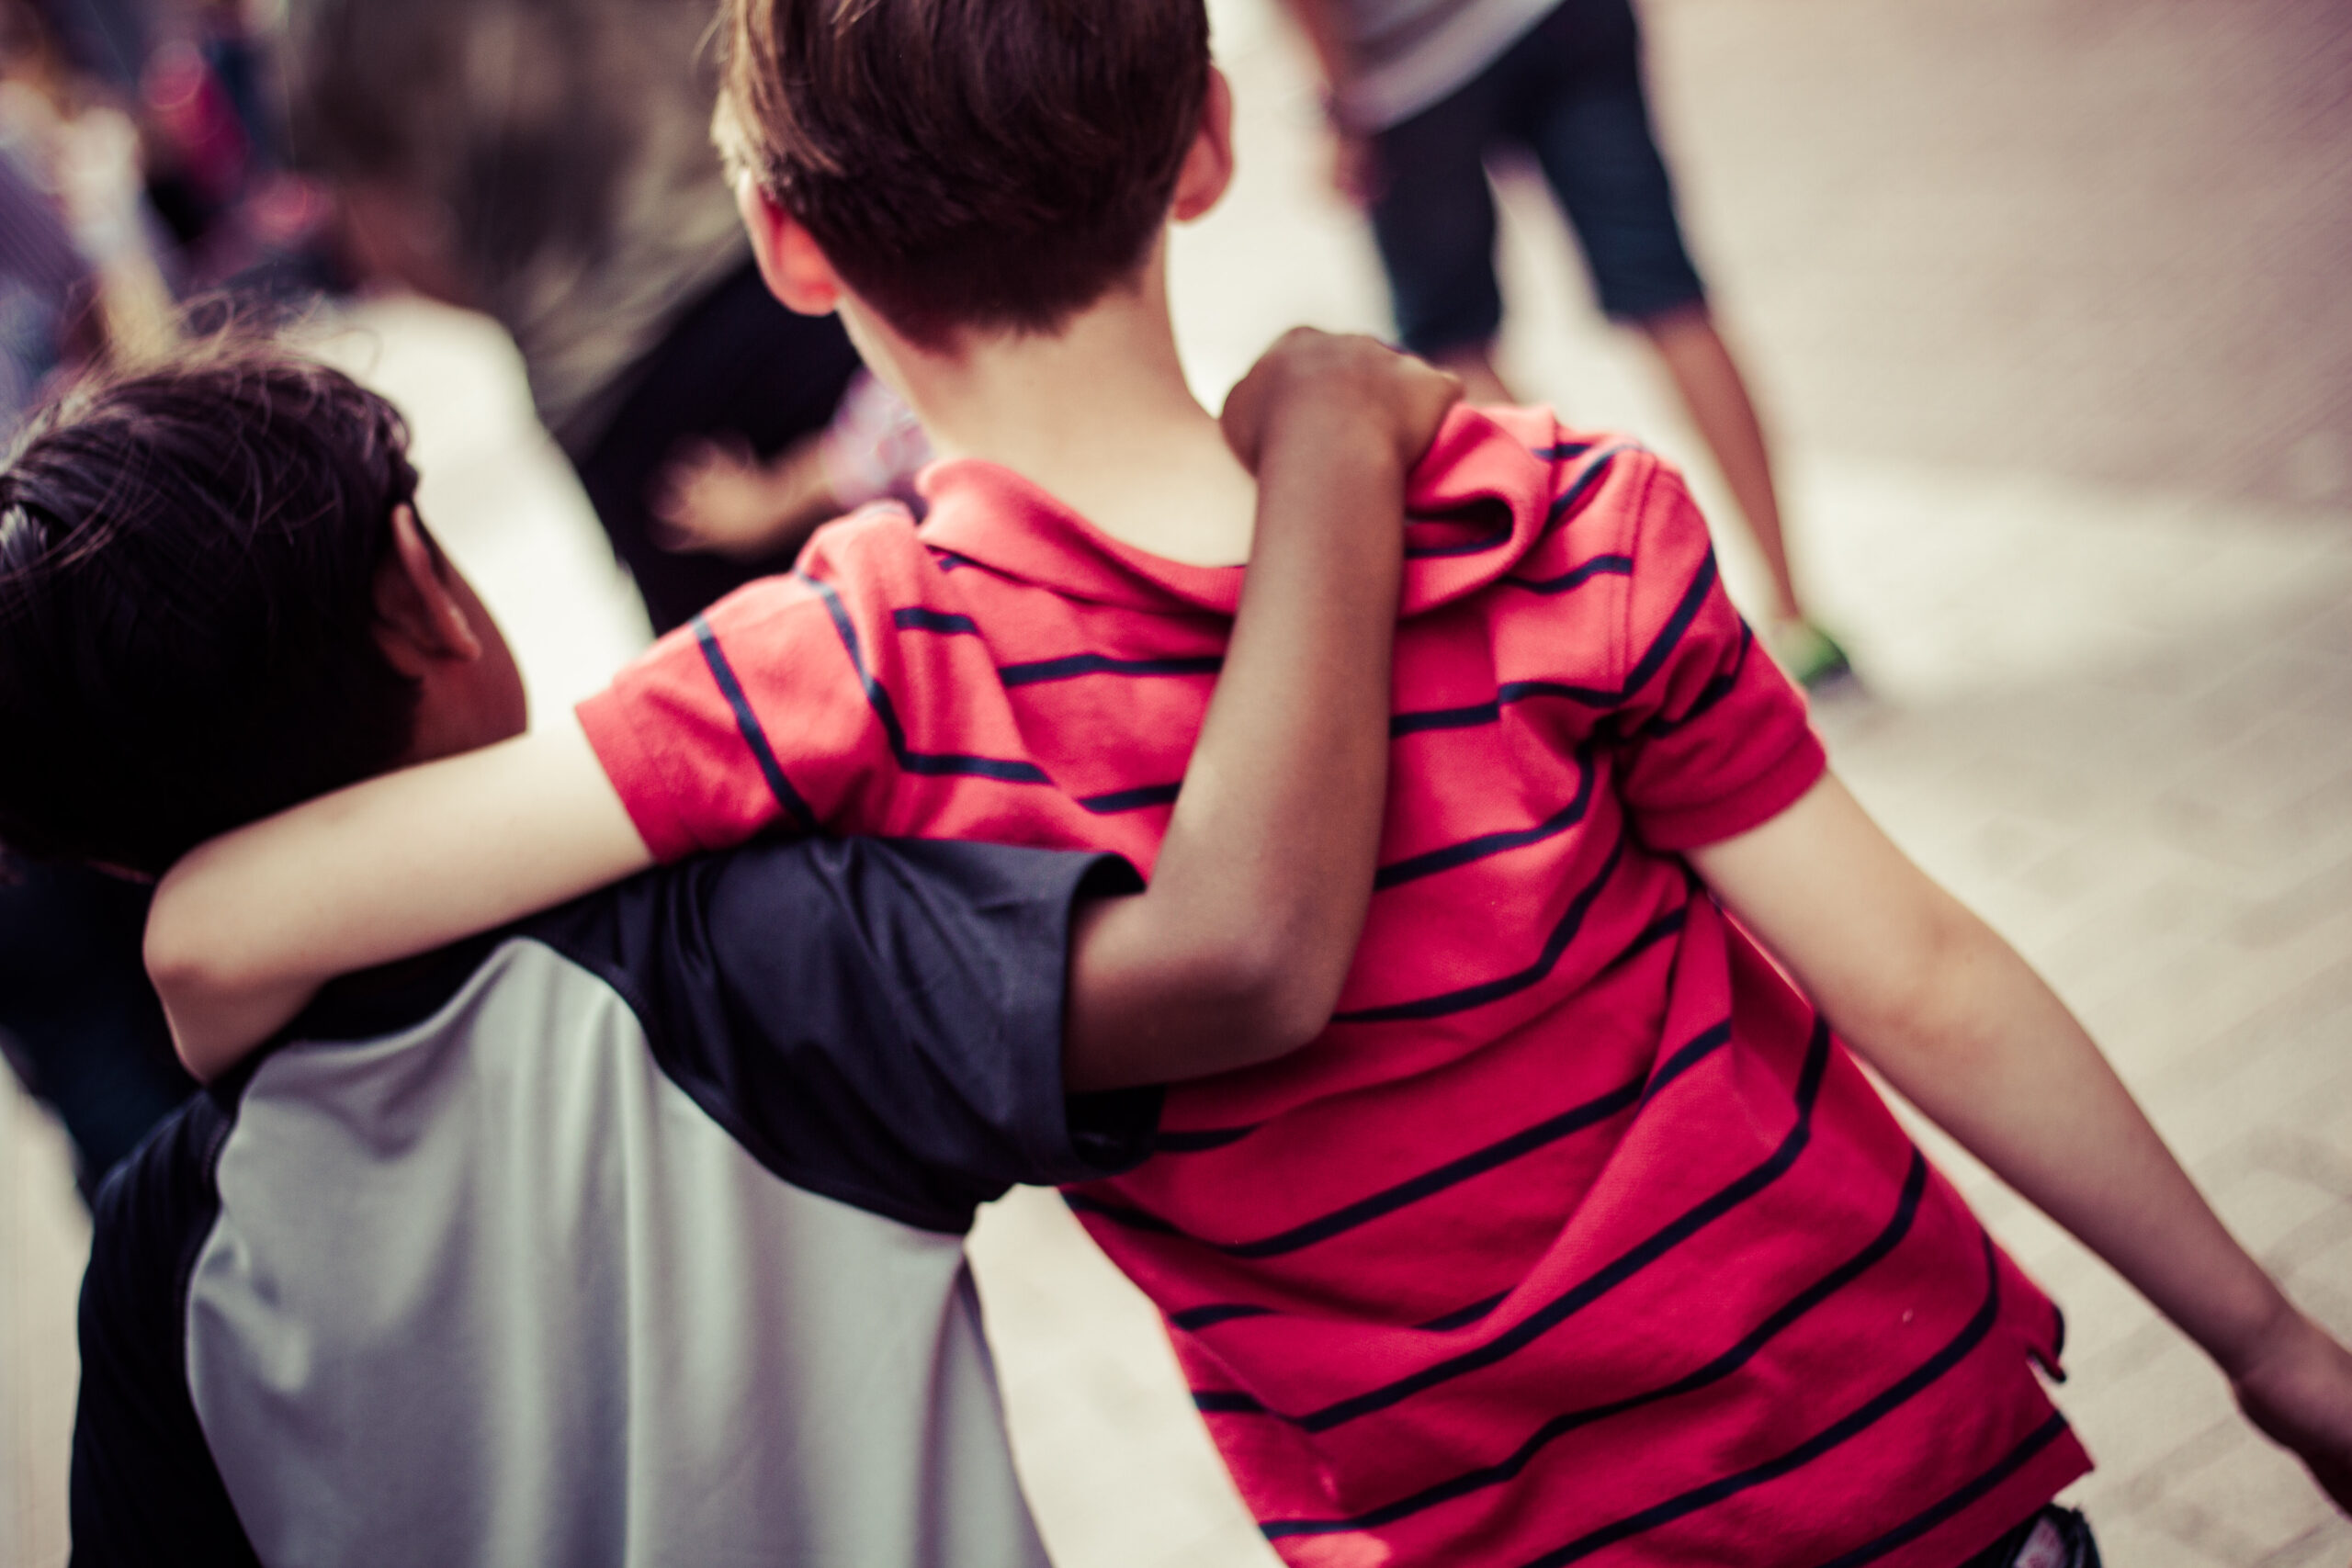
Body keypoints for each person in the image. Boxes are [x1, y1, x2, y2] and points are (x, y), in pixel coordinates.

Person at [145, 3, 2352, 1564]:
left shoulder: (850, 666)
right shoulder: (1544, 510)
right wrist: (2262, 1343)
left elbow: (218, 928)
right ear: (1203, 141)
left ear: (792, 245)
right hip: (1901, 1465)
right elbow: (1926, 973)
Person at [0, 330, 1456, 1561]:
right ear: (419, 592)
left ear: (114, 852)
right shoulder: (728, 969)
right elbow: (1242, 956)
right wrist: (1335, 431)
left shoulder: (156, 1267)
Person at [275, 0, 902, 634]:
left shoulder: (322, 22)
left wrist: (526, 299)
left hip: (615, 385)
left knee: (778, 692)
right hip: (793, 259)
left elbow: (375, 237)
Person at [1280, 0, 1850, 685]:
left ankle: (1639, 628)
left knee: (1457, 350)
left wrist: (1339, 106)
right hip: (1557, 16)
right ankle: (1797, 615)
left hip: (1409, 75)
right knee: (1671, 300)